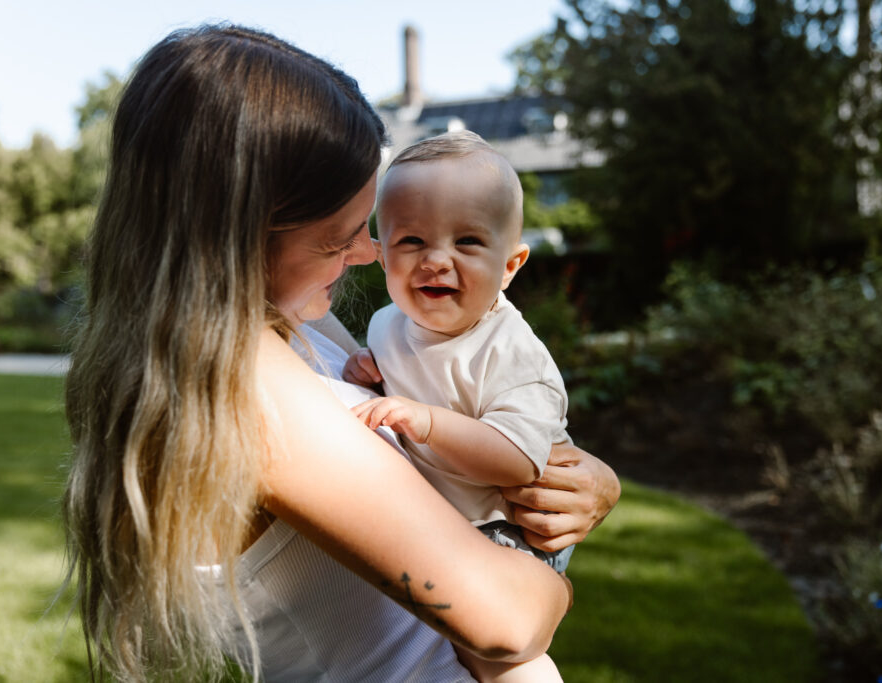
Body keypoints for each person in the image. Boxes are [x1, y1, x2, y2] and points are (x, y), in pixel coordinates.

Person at [61, 24, 620, 683]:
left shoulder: (294, 333)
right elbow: (508, 622)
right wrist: (549, 579)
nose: (364, 254)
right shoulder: (247, 386)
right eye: (338, 238)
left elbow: (437, 419)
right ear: (235, 234)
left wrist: (590, 483)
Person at [341, 131, 571, 682]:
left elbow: (518, 460)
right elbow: (408, 372)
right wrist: (370, 371)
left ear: (510, 264)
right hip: (446, 519)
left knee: (494, 650)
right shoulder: (388, 324)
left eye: (467, 241)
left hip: (507, 526)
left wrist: (426, 422)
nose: (436, 260)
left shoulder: (512, 353)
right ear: (381, 253)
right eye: (412, 241)